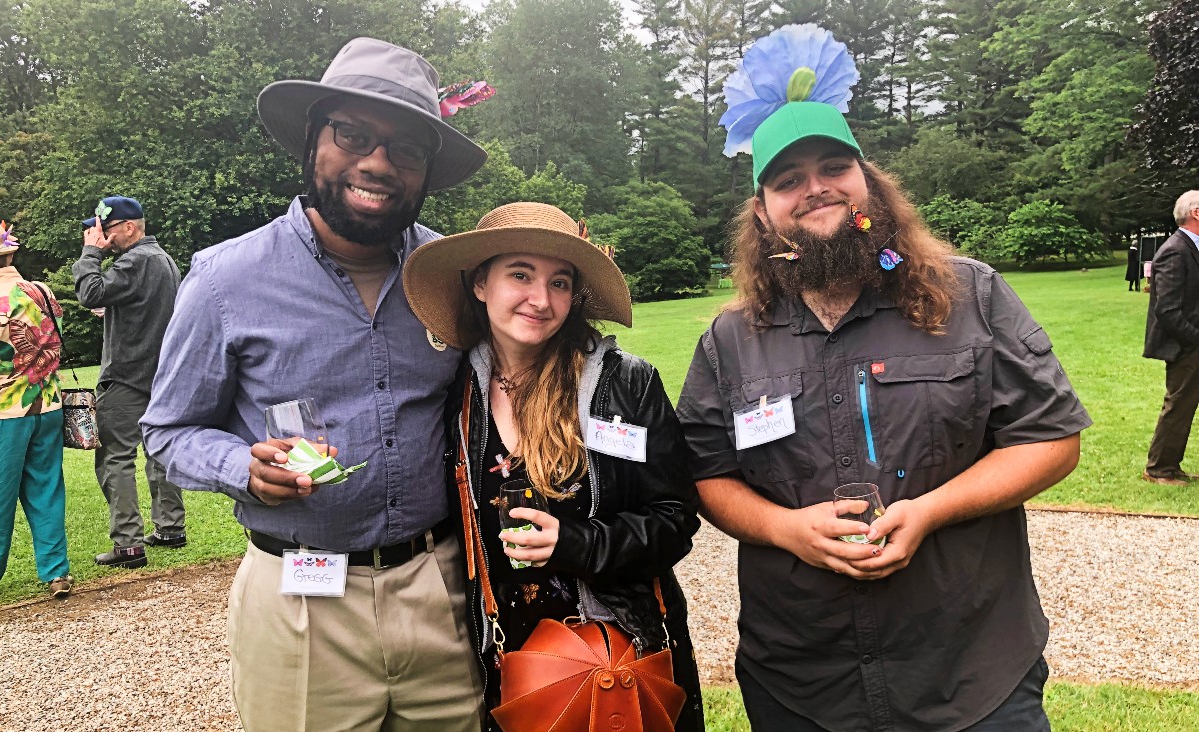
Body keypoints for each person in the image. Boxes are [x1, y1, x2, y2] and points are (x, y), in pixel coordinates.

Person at [675, 25, 1090, 731]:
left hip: (970, 672)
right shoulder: (732, 339)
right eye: (787, 180)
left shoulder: (967, 295)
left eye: (834, 167)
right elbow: (708, 473)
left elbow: (1051, 439)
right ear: (764, 213)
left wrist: (930, 511)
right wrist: (784, 528)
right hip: (802, 680)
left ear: (868, 183)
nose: (815, 189)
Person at [141, 38, 490, 731]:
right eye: (352, 134)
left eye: (405, 149)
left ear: (426, 170)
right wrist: (240, 466)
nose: (378, 163)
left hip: (441, 587)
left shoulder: (452, 275)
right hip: (298, 599)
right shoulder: (224, 280)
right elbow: (166, 430)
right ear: (312, 139)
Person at [402, 201, 704, 731]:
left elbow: (674, 519)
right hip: (508, 651)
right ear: (480, 284)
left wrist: (575, 544)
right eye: (521, 275)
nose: (541, 300)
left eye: (559, 282)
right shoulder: (455, 394)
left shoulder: (625, 385)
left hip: (615, 654)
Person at [71, 195, 184, 568]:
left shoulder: (135, 261)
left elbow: (88, 293)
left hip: (127, 377)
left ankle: (128, 544)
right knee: (159, 452)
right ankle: (170, 528)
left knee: (114, 457)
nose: (101, 237)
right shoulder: (162, 260)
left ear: (129, 227)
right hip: (161, 376)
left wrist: (91, 253)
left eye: (105, 230)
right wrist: (114, 308)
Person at [0, 222, 72, 598]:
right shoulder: (40, 290)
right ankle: (57, 572)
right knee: (47, 488)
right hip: (47, 404)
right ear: (11, 254)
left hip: (5, 413)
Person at [1142, 190, 1199, 486]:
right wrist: (1194, 340)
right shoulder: (1176, 250)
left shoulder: (1190, 248)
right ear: (1196, 213)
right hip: (1186, 347)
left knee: (1184, 406)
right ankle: (1159, 469)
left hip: (1190, 343)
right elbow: (1166, 310)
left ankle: (1170, 466)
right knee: (1178, 406)